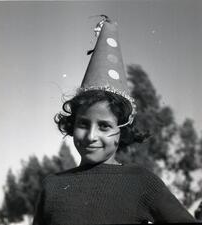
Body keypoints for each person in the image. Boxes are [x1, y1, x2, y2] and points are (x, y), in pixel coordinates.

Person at [33, 17, 196, 224]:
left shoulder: (141, 182)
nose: (92, 136)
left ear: (123, 130)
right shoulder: (52, 186)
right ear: (72, 125)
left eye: (104, 126)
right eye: (83, 123)